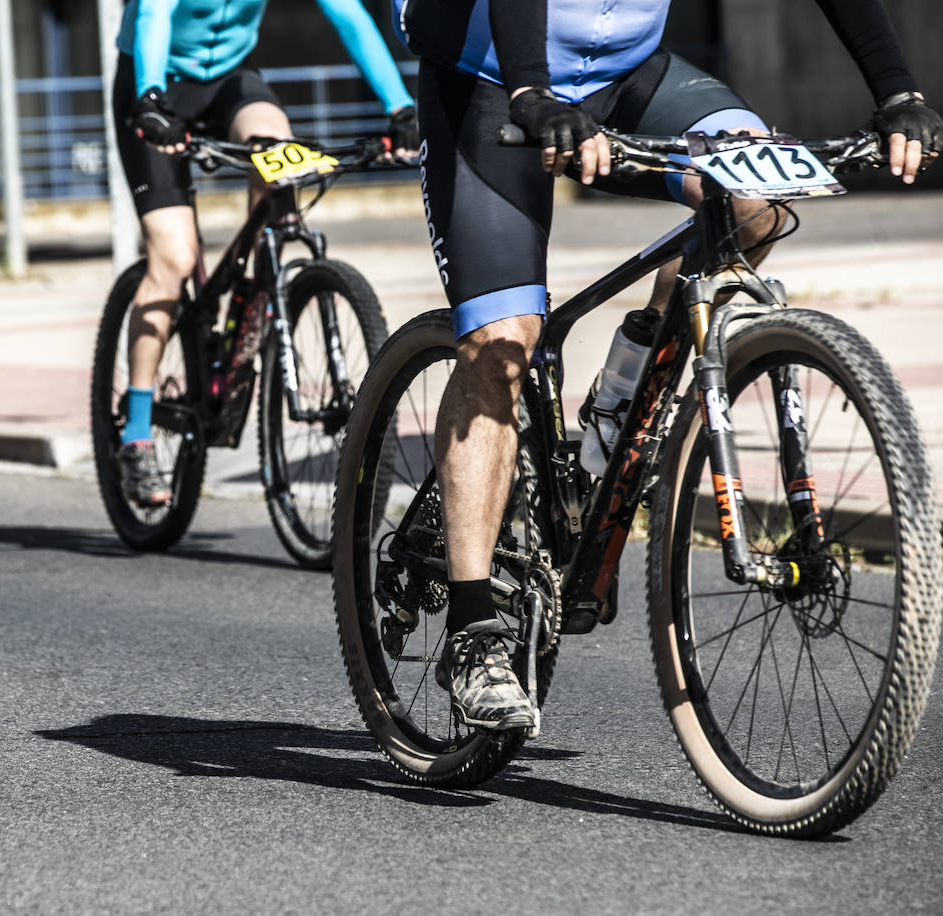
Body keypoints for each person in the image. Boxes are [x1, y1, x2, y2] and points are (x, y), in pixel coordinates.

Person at [392, 0, 942, 730]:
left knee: (758, 205)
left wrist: (898, 93)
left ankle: (620, 397)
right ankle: (473, 631)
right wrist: (531, 92)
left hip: (627, 73)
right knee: (504, 343)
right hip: (491, 80)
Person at [112, 0, 419, 506]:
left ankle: (254, 299)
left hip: (230, 79)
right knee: (174, 257)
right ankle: (137, 432)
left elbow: (351, 17)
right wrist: (149, 99)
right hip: (154, 80)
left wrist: (399, 106)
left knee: (280, 157)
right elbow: (152, 16)